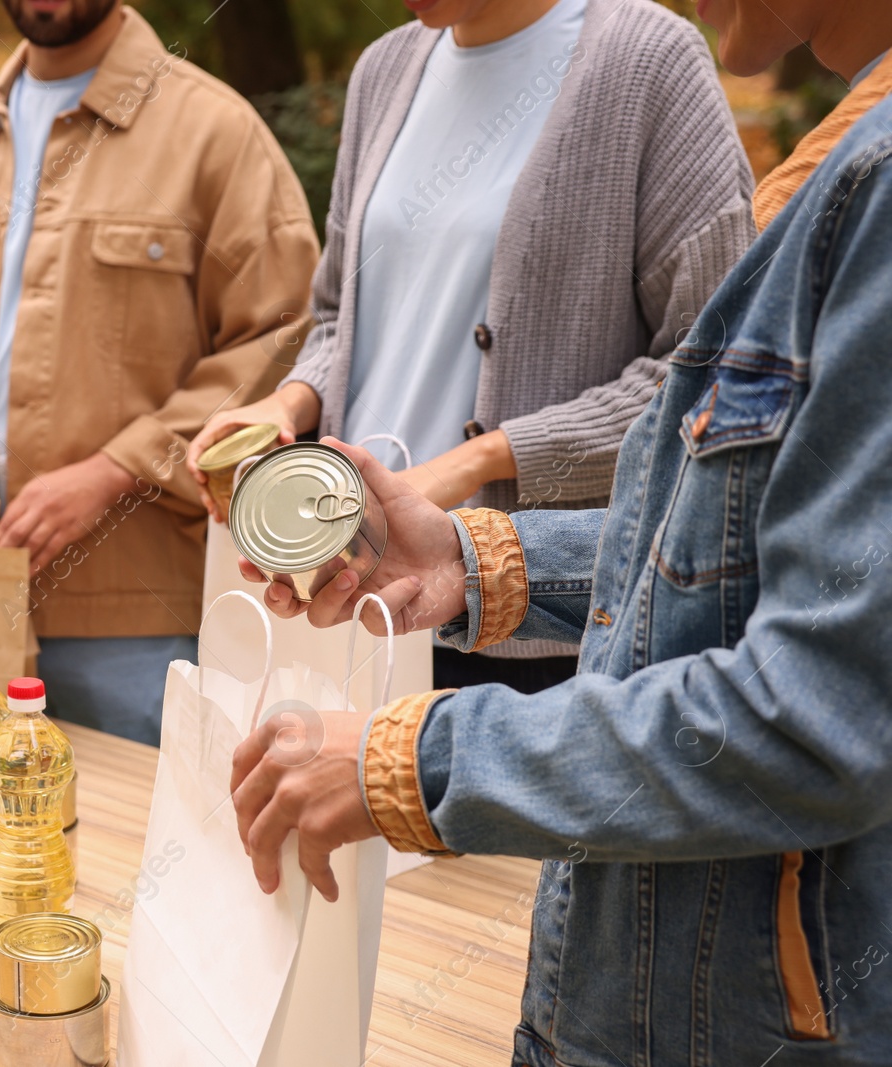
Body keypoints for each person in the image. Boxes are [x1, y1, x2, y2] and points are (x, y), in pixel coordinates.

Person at [231, 1, 892, 1061]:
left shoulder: (866, 185)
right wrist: (473, 558)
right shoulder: (837, 167)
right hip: (624, 981)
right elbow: (734, 562)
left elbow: (818, 718)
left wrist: (414, 759)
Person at [187, 0, 754, 695]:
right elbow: (343, 314)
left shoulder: (647, 58)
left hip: (530, 629)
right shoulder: (385, 69)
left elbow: (712, 364)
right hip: (361, 601)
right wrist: (285, 402)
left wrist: (473, 463)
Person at [0, 0, 319, 746]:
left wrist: (117, 468)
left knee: (136, 854)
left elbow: (286, 342)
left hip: (131, 620)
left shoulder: (216, 137)